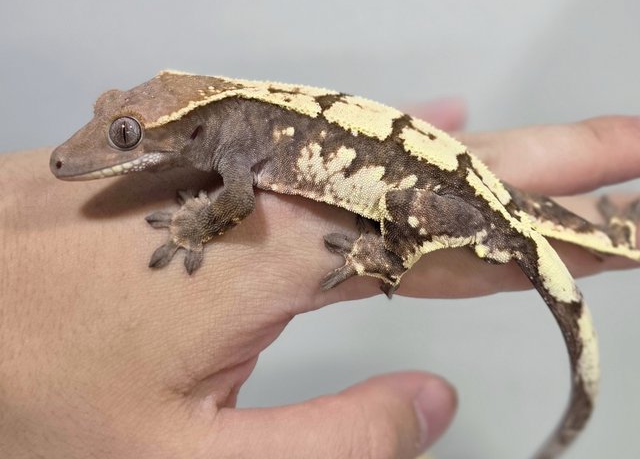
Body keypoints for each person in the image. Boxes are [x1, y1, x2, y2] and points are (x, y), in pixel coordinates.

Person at [1, 107, 639, 459]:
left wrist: (193, 226)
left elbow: (237, 204)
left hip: (445, 202)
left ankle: (391, 257)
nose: (100, 147)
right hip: (450, 175)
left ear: (190, 124)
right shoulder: (229, 127)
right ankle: (620, 236)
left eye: (125, 136)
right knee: (516, 211)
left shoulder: (233, 142)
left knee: (451, 214)